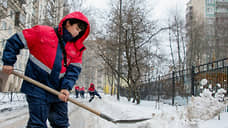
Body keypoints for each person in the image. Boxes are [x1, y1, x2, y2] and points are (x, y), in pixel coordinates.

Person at [2, 11, 90, 128]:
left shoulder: (76, 49)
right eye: (77, 28)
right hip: (36, 87)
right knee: (37, 124)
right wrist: (8, 62)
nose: (77, 33)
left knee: (61, 124)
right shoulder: (42, 33)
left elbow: (73, 72)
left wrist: (65, 87)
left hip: (58, 91)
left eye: (80, 32)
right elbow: (15, 41)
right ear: (68, 23)